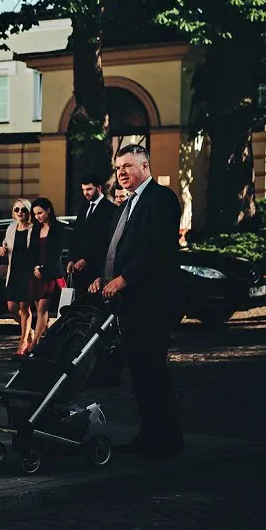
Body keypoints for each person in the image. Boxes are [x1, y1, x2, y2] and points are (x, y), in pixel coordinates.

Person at [90, 144, 185, 462]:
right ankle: (150, 435)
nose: (122, 173)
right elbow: (116, 248)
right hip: (129, 305)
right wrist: (104, 278)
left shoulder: (162, 199)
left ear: (145, 166)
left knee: (153, 371)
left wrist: (125, 279)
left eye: (128, 166)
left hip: (153, 302)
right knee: (140, 373)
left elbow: (157, 248)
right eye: (118, 168)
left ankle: (168, 440)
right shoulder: (125, 205)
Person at [25, 197, 67, 351]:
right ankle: (51, 342)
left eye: (40, 213)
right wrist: (35, 267)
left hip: (51, 273)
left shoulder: (59, 228)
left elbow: (56, 253)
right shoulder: (35, 229)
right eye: (35, 214)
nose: (38, 217)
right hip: (36, 274)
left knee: (43, 308)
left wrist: (43, 269)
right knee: (39, 310)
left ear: (48, 210)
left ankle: (34, 345)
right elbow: (32, 252)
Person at [0, 199, 36, 356]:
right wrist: (1, 249)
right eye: (16, 209)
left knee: (24, 308)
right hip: (14, 272)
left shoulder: (34, 229)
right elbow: (5, 244)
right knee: (12, 308)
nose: (20, 212)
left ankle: (23, 342)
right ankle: (31, 333)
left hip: (28, 273)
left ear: (28, 212)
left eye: (23, 210)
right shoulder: (11, 227)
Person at [68, 176, 116, 297]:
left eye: (89, 189)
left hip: (98, 269)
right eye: (83, 189)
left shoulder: (110, 209)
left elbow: (107, 241)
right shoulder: (83, 207)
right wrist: (71, 259)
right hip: (79, 270)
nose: (86, 193)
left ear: (99, 188)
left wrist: (88, 259)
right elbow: (75, 235)